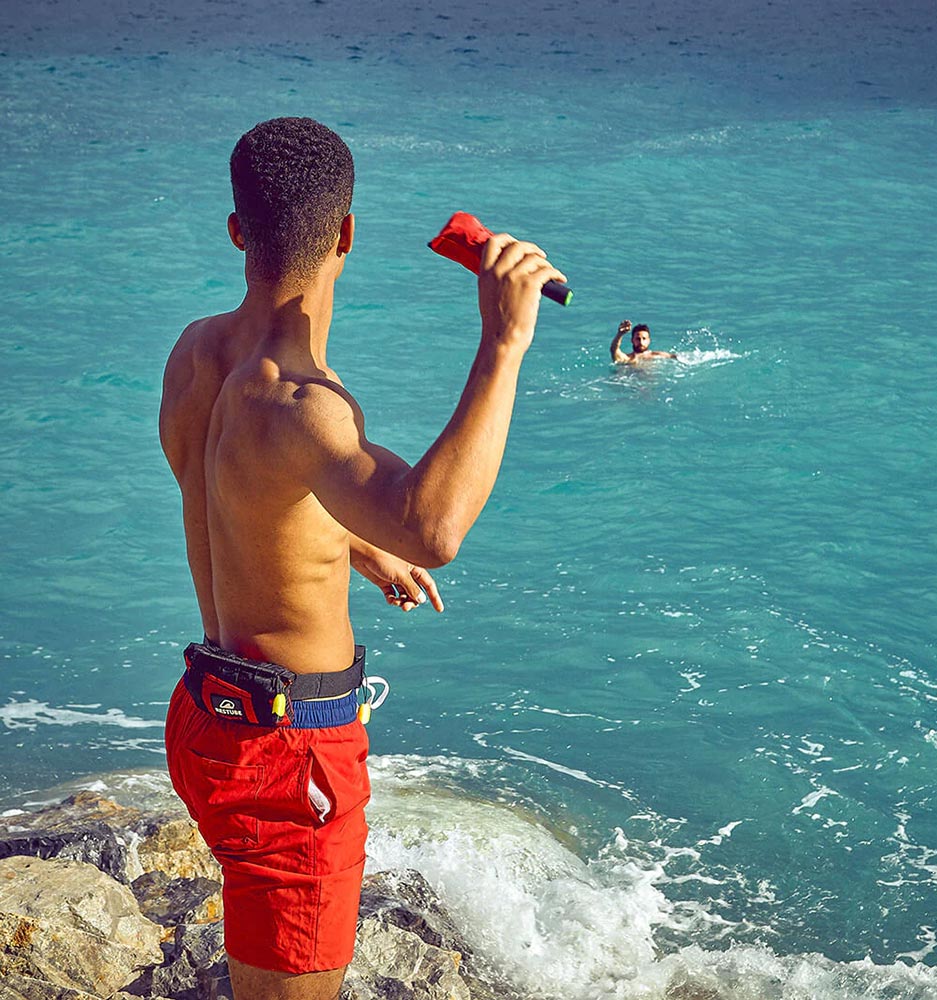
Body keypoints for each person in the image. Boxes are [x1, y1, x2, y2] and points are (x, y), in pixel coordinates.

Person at [158, 116, 565, 1000]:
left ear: (237, 230)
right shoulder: (307, 408)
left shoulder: (196, 354)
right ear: (346, 233)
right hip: (285, 758)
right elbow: (433, 528)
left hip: (202, 717)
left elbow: (233, 492)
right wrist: (503, 344)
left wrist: (345, 541)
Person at [610, 319, 677, 363]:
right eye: (638, 339)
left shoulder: (659, 355)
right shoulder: (628, 359)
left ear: (649, 341)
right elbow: (613, 350)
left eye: (644, 338)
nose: (641, 342)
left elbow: (680, 358)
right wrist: (620, 334)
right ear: (632, 340)